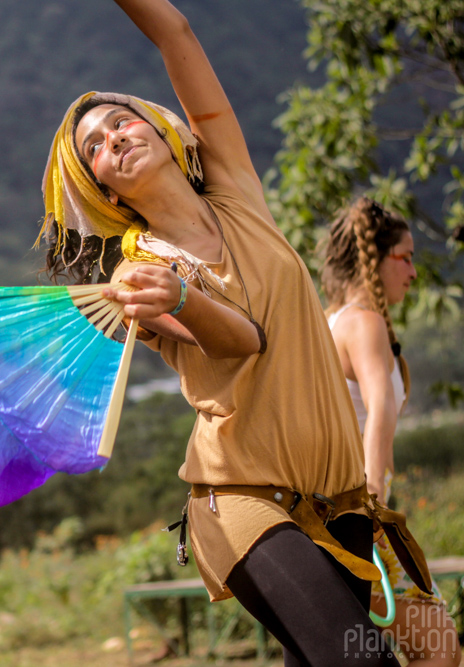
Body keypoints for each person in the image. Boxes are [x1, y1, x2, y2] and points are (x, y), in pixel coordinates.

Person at [40, 1, 430, 665]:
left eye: (119, 121)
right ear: (103, 191)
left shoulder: (236, 185)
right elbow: (241, 341)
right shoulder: (139, 276)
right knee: (364, 661)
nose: (114, 140)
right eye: (95, 149)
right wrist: (182, 297)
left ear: (159, 128)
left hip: (342, 505)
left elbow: (173, 31)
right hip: (243, 503)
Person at [323, 197, 459, 666]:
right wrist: (372, 496)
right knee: (439, 648)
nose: (414, 272)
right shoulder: (364, 324)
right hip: (361, 508)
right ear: (372, 259)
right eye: (406, 257)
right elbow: (379, 406)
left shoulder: (331, 323)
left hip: (336, 509)